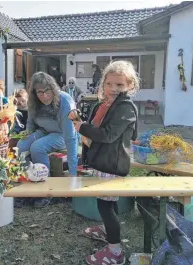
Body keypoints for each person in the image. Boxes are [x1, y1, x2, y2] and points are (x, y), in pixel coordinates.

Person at [70, 60, 139, 265]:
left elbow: (108, 135)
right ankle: (107, 231)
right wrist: (82, 123)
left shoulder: (125, 108)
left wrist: (82, 127)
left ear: (130, 86)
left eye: (119, 85)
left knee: (105, 206)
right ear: (103, 84)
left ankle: (115, 252)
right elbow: (95, 125)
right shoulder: (104, 104)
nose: (113, 89)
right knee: (108, 203)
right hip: (103, 161)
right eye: (109, 84)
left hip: (113, 164)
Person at [17, 72, 78, 208]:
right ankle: (27, 184)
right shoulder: (33, 102)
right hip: (44, 131)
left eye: (47, 91)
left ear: (53, 88)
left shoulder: (65, 102)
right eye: (39, 92)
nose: (44, 96)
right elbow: (31, 122)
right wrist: (28, 132)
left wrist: (73, 175)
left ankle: (45, 189)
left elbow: (71, 137)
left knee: (37, 148)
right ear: (34, 93)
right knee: (20, 146)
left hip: (63, 133)